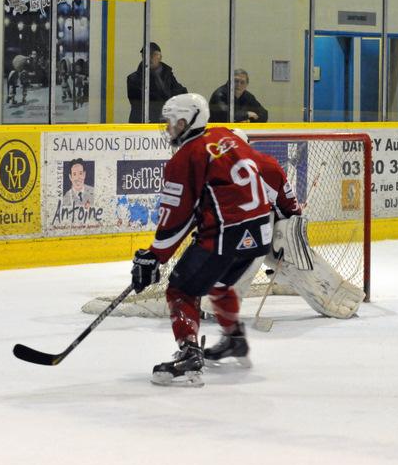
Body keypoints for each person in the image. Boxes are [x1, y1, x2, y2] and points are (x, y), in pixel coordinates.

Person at [130, 93, 301, 386]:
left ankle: (189, 354)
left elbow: (177, 216)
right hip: (258, 234)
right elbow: (266, 171)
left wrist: (155, 255)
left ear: (186, 121)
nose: (168, 128)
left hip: (225, 236)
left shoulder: (186, 157)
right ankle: (234, 339)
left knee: (181, 290)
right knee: (219, 283)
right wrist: (290, 215)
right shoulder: (226, 136)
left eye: (172, 122)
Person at [126, 42, 187, 123]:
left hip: (164, 123)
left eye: (153, 54)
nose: (150, 57)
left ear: (160, 57)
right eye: (146, 55)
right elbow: (144, 102)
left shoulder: (168, 75)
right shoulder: (133, 79)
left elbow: (180, 92)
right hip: (143, 124)